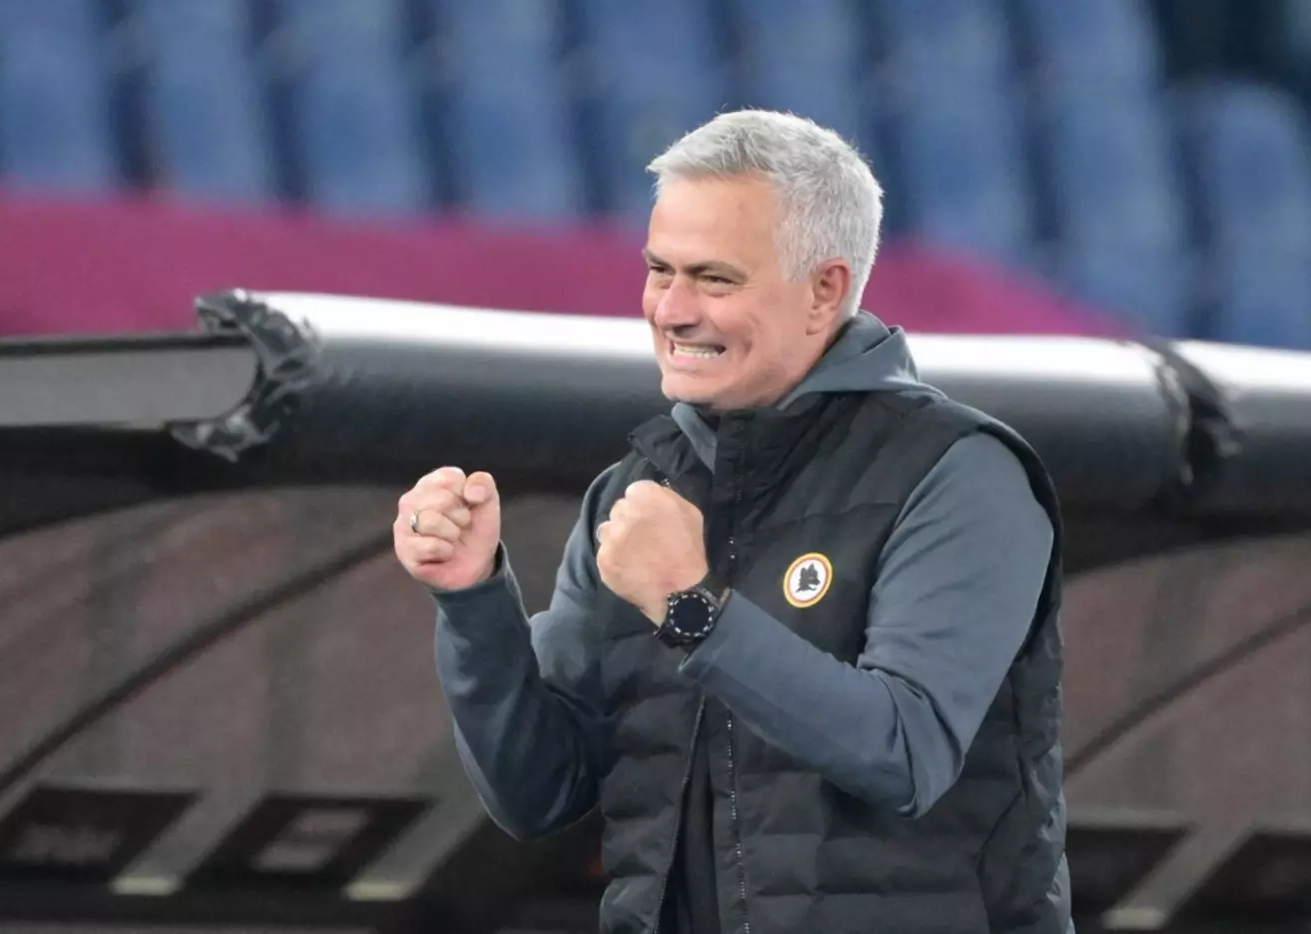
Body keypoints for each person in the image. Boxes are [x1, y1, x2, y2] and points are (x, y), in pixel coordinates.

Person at [394, 109, 1070, 934]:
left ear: (825, 289)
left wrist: (690, 607)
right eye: (659, 270)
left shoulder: (958, 473)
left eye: (714, 279)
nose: (671, 310)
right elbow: (537, 794)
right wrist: (474, 602)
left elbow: (905, 752)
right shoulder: (631, 493)